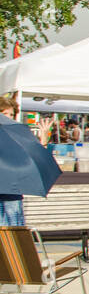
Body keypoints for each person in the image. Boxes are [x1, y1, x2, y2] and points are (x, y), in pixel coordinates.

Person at [0, 96, 24, 225]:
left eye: (11, 114)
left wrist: (42, 143)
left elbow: (25, 161)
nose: (9, 117)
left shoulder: (16, 135)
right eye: (5, 114)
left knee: (14, 232)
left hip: (11, 190)